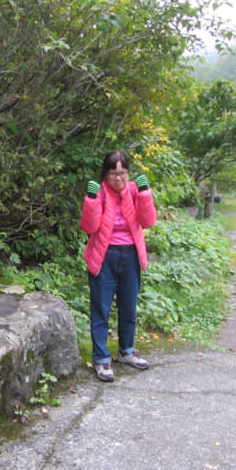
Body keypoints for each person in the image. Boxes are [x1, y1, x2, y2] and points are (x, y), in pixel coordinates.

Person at [80, 151, 157, 382]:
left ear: (128, 173)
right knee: (101, 310)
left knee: (128, 308)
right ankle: (101, 359)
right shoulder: (101, 193)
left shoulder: (134, 191)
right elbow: (89, 227)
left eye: (123, 173)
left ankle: (126, 351)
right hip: (104, 257)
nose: (119, 179)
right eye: (114, 174)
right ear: (105, 174)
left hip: (131, 257)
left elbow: (148, 221)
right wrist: (91, 201)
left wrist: (144, 195)